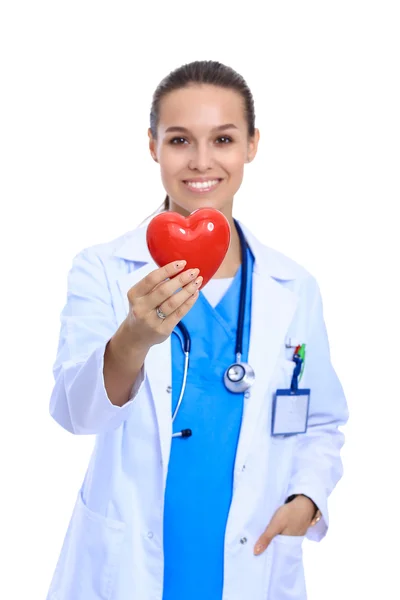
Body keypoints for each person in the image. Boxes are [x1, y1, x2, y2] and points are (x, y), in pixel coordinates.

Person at [46, 60, 349, 600]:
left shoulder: (293, 286)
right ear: (152, 145)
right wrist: (133, 339)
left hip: (250, 562)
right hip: (130, 566)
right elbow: (76, 413)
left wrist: (308, 498)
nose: (202, 161)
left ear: (252, 145)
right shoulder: (102, 268)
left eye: (224, 139)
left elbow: (321, 421)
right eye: (181, 139)